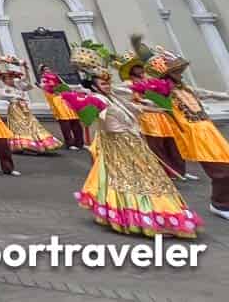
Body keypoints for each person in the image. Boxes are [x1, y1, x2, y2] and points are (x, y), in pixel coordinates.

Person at [71, 42, 201, 238]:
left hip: (134, 143)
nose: (107, 85)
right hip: (120, 146)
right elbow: (93, 113)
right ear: (94, 84)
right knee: (133, 181)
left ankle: (165, 215)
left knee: (152, 179)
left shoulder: (113, 96)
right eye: (103, 83)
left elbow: (134, 107)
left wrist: (158, 107)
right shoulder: (100, 100)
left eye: (108, 82)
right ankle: (143, 217)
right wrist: (84, 99)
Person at [132, 33, 229, 220]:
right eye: (175, 71)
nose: (180, 74)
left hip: (210, 132)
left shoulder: (186, 89)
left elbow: (207, 94)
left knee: (226, 169)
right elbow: (148, 104)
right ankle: (220, 204)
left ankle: (223, 201)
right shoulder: (164, 93)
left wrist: (225, 96)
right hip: (194, 136)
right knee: (222, 172)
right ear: (166, 75)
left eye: (179, 71)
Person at [114, 53, 187, 179]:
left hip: (162, 116)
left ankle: (180, 170)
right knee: (156, 146)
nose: (141, 71)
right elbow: (115, 90)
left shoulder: (150, 81)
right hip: (146, 118)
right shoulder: (128, 83)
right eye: (137, 69)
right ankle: (168, 172)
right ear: (131, 71)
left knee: (172, 144)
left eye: (141, 68)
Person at [0, 59, 63, 154]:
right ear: (3, 80)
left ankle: (37, 144)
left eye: (11, 78)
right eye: (7, 78)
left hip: (25, 109)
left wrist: (26, 70)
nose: (10, 80)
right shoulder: (5, 90)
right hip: (15, 109)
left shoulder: (18, 87)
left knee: (33, 125)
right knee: (20, 127)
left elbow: (27, 84)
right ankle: (23, 145)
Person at [39, 64, 85, 150]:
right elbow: (48, 90)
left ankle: (80, 143)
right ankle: (70, 143)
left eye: (48, 69)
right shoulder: (43, 81)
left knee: (76, 122)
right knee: (65, 123)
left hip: (66, 100)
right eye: (45, 70)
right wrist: (54, 90)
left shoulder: (57, 77)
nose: (48, 71)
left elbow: (65, 86)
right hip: (57, 102)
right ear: (42, 72)